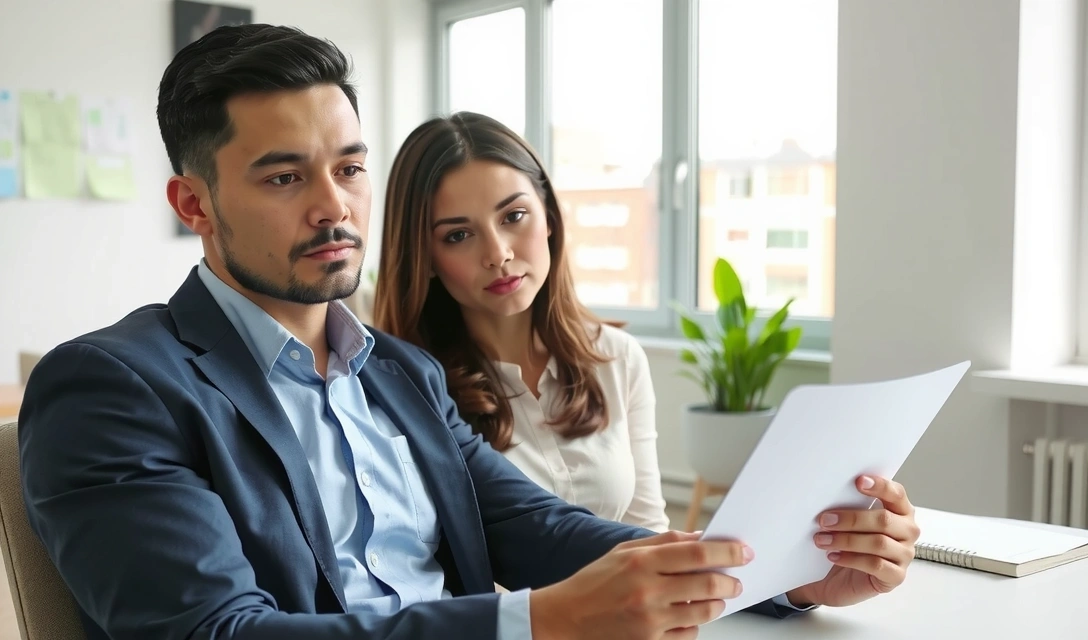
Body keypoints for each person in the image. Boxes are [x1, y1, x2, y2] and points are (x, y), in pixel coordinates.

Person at [17, 24, 921, 640]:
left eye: (350, 167)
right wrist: (534, 623)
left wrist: (782, 573)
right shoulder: (112, 387)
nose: (335, 206)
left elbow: (548, 532)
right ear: (194, 204)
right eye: (284, 178)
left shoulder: (399, 372)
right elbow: (216, 634)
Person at [372, 111, 668, 533]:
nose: (498, 254)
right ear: (427, 258)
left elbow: (651, 532)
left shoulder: (617, 358)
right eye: (458, 235)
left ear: (547, 215)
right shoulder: (405, 391)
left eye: (513, 216)